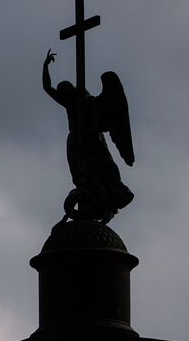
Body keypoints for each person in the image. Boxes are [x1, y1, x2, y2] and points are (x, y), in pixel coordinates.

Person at [42, 49, 134, 221]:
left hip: (92, 140)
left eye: (65, 92)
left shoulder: (89, 101)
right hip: (75, 140)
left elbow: (98, 122)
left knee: (97, 172)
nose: (62, 96)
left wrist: (89, 134)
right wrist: (45, 66)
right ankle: (88, 198)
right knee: (80, 174)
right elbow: (47, 88)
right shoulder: (69, 103)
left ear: (71, 90)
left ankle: (104, 204)